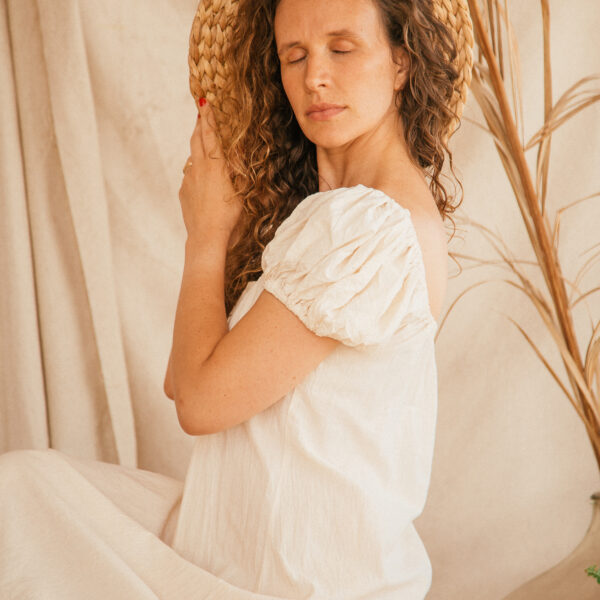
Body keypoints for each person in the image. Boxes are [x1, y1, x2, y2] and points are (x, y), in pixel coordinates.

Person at [0, 0, 472, 598]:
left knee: (20, 507)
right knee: (26, 491)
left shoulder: (367, 226)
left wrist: (206, 236)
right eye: (294, 56)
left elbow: (198, 404)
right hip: (240, 553)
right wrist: (229, 228)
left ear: (401, 62)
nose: (315, 77)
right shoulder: (327, 219)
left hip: (298, 584)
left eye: (342, 49)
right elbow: (181, 378)